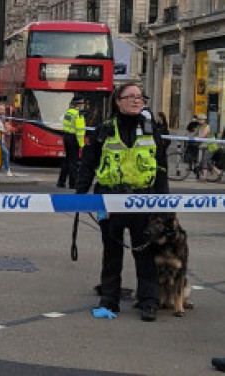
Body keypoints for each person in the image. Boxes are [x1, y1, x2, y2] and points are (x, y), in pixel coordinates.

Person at [76, 83, 168, 321]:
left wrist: (164, 204)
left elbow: (160, 168)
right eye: (131, 97)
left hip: (142, 200)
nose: (137, 101)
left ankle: (148, 302)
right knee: (112, 252)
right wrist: (80, 194)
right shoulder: (105, 129)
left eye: (140, 97)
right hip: (110, 199)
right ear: (118, 101)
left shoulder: (151, 129)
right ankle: (109, 300)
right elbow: (89, 162)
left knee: (145, 254)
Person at [58, 95, 86, 188]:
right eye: (82, 103)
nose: (83, 105)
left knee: (67, 160)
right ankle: (73, 183)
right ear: (78, 105)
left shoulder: (69, 112)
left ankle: (61, 181)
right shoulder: (78, 115)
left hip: (66, 136)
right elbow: (80, 131)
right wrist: (82, 144)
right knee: (73, 162)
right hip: (74, 139)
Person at [0, 102, 12, 178]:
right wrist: (4, 131)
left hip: (1, 140)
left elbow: (4, 128)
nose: (2, 111)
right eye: (1, 109)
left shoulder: (3, 118)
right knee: (5, 153)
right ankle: (7, 170)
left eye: (3, 109)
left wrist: (7, 129)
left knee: (2, 154)